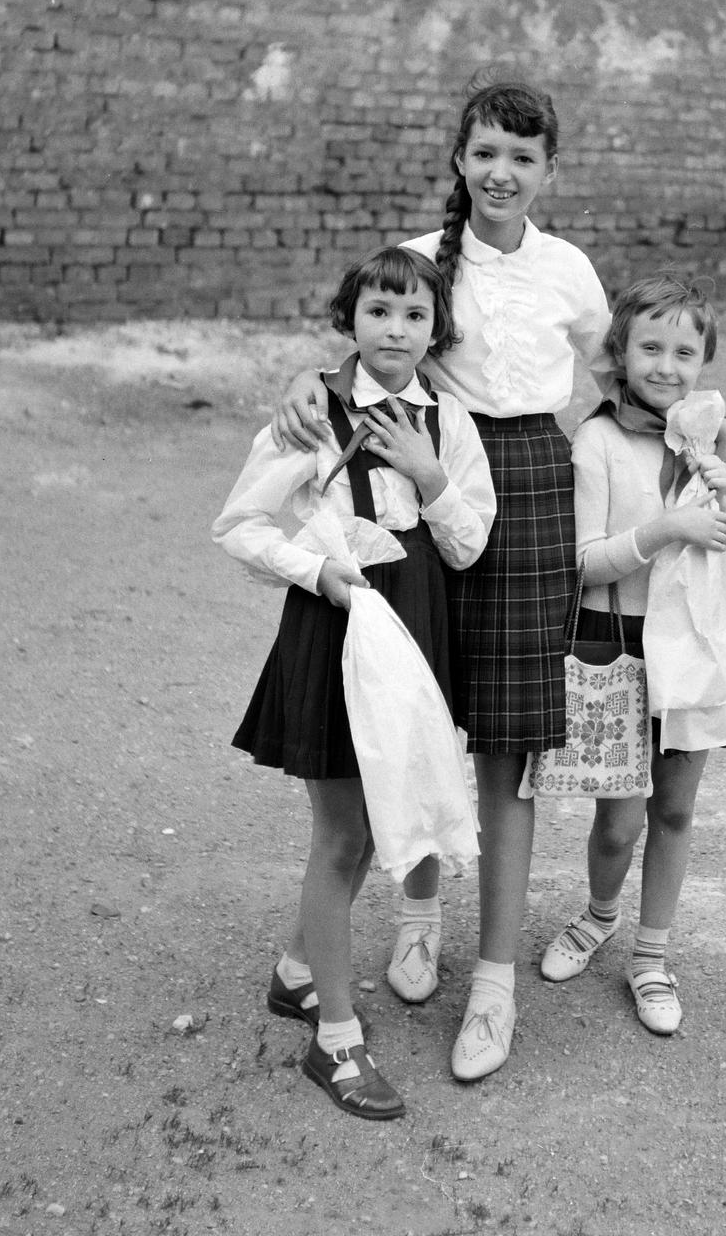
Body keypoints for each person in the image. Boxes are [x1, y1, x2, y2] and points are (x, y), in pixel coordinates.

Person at [269, 75, 617, 1082]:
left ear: (548, 169)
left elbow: (607, 382)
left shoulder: (569, 273)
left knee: (506, 747)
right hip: (421, 496)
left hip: (534, 499)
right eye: (485, 153)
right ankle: (416, 917)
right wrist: (309, 380)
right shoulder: (422, 260)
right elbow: (366, 354)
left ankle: (495, 981)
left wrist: (686, 435)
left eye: (522, 156)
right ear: (459, 159)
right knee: (410, 719)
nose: (501, 172)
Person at [212, 246, 496, 1119]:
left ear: (436, 330)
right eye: (379, 311)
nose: (396, 330)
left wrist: (429, 475)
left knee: (379, 822)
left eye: (414, 316)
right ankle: (334, 1042)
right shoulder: (315, 416)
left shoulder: (447, 419)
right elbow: (242, 524)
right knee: (342, 836)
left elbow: (469, 542)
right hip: (337, 629)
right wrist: (319, 574)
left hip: (416, 636)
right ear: (352, 319)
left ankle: (298, 971)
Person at [539, 275, 726, 1035]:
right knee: (620, 820)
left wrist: (722, 498)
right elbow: (581, 562)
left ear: (704, 360)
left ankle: (651, 956)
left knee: (675, 810)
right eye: (650, 346)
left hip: (695, 647)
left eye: (685, 350)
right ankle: (599, 914)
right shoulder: (597, 440)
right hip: (621, 642)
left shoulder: (709, 439)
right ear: (621, 350)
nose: (666, 365)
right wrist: (667, 528)